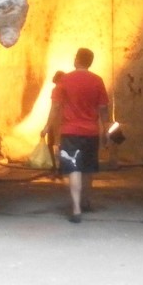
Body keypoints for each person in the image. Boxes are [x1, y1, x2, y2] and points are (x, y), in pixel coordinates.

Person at [43, 48, 108, 222]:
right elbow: (103, 108)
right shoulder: (97, 81)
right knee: (87, 170)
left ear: (78, 59)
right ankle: (86, 201)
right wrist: (106, 130)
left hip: (70, 132)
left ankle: (76, 208)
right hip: (91, 132)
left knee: (73, 169)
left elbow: (55, 107)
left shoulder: (64, 80)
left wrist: (48, 126)